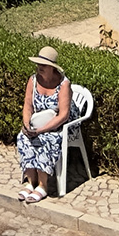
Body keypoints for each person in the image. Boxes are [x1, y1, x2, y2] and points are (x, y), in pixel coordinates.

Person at [15, 46, 76, 198]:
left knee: (45, 139)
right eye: (38, 64)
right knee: (23, 137)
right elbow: (27, 106)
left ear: (52, 68)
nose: (39, 67)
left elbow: (63, 116)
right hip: (40, 122)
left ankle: (43, 185)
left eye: (43, 65)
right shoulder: (33, 80)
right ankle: (31, 182)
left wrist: (41, 130)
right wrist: (27, 125)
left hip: (62, 126)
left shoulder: (64, 84)